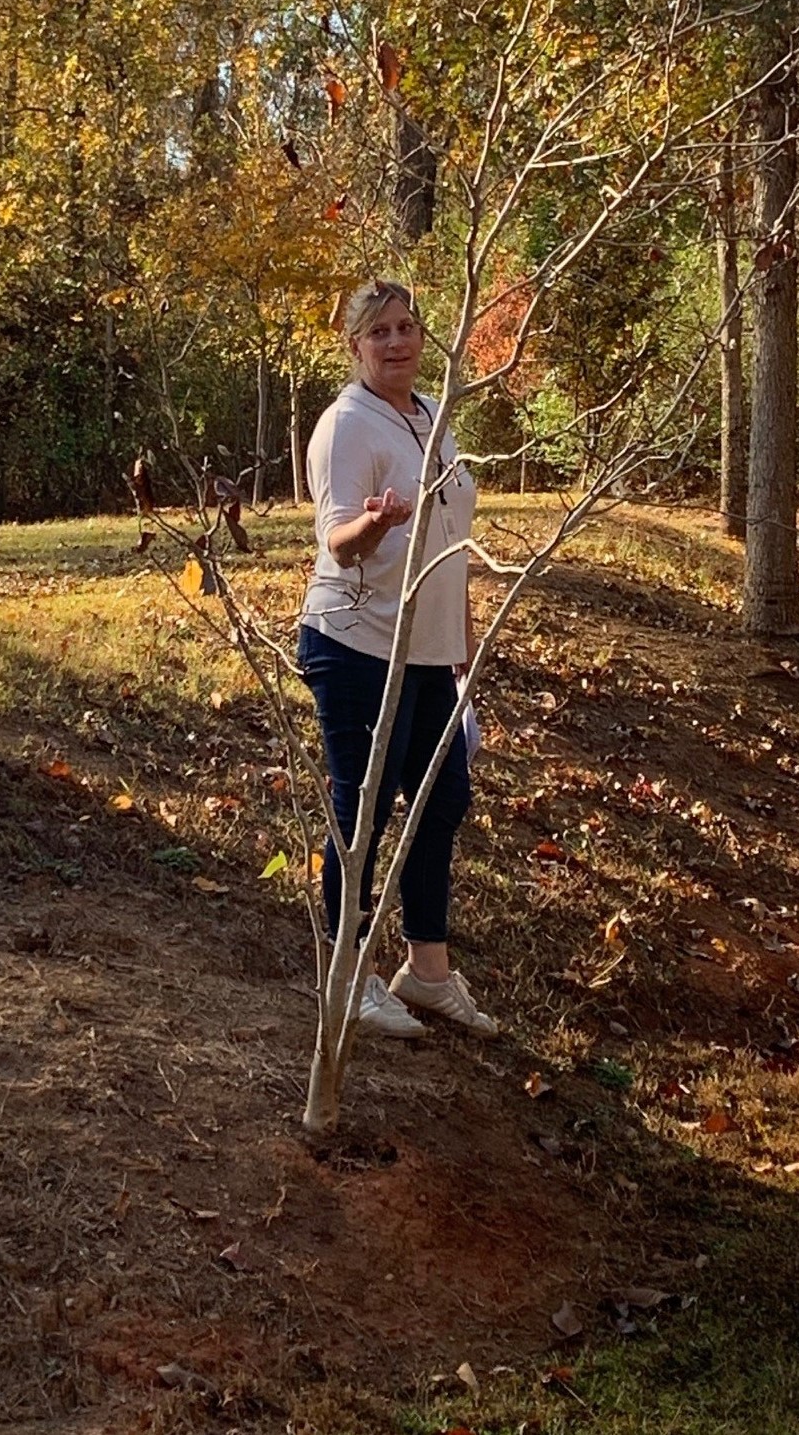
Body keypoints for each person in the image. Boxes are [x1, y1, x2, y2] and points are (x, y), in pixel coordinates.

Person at [296, 278, 496, 1039]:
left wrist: (461, 643)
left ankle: (427, 974)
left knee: (442, 799)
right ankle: (346, 980)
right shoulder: (348, 425)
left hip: (426, 650)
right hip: (356, 642)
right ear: (354, 346)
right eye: (378, 330)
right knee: (364, 810)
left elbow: (450, 540)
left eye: (407, 325)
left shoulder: (430, 420)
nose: (396, 341)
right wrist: (373, 525)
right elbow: (336, 543)